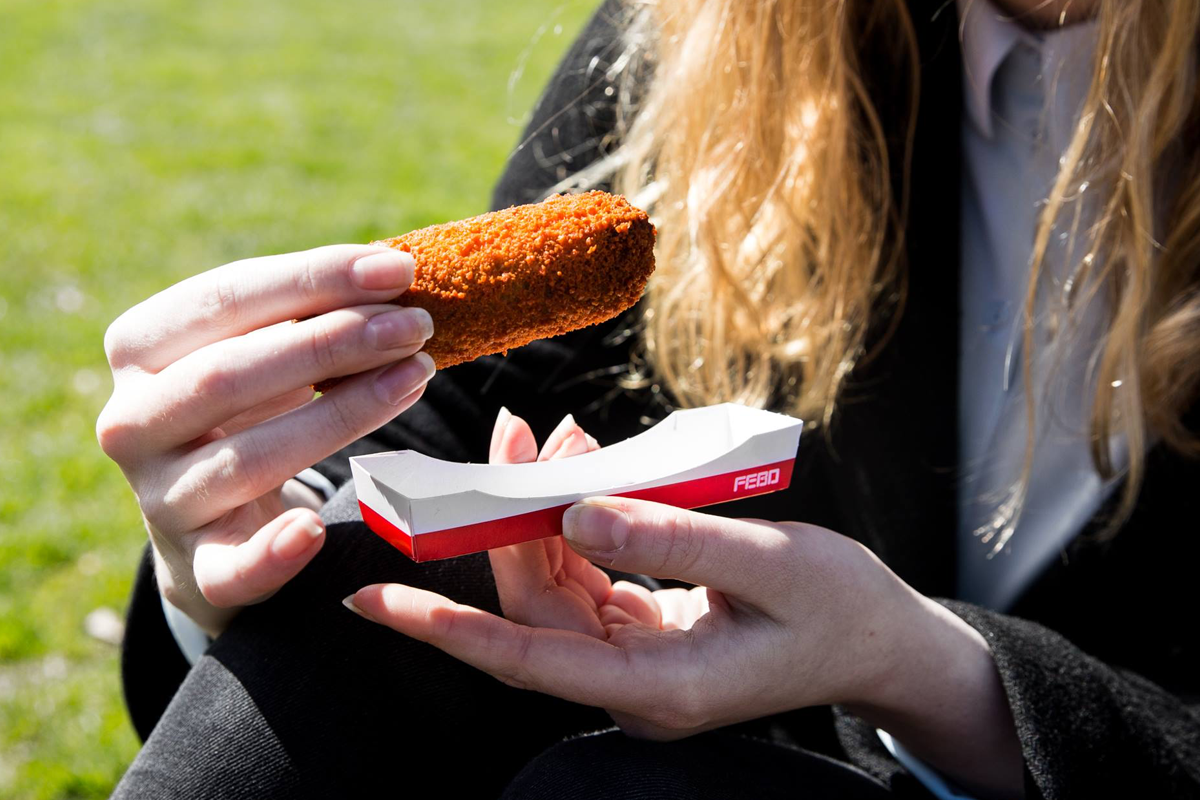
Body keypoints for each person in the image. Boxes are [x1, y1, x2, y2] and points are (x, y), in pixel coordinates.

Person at [97, 0, 1200, 797]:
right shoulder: (738, 30)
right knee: (370, 575)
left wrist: (927, 672)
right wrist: (263, 510)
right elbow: (481, 416)